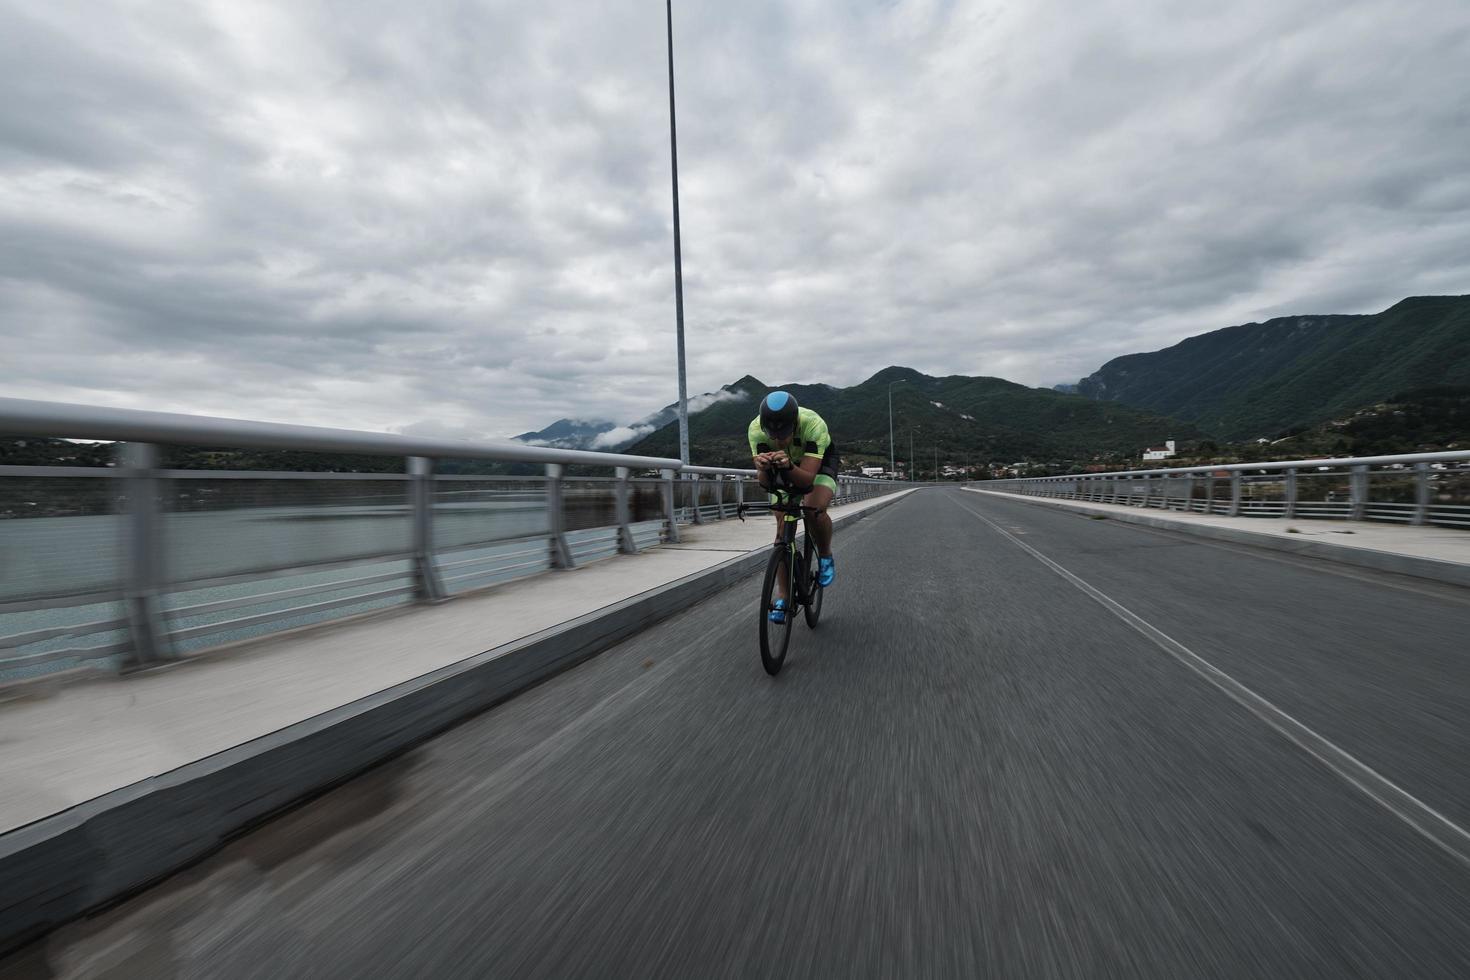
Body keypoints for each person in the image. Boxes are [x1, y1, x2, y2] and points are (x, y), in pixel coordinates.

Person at [748, 391, 838, 623]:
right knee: (781, 531)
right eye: (773, 434)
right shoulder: (755, 430)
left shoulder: (813, 425)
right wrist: (762, 469)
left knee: (814, 509)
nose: (779, 439)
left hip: (817, 464)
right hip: (784, 464)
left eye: (785, 433)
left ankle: (826, 555)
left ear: (795, 422)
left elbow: (807, 480)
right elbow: (766, 485)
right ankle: (783, 598)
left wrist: (788, 466)